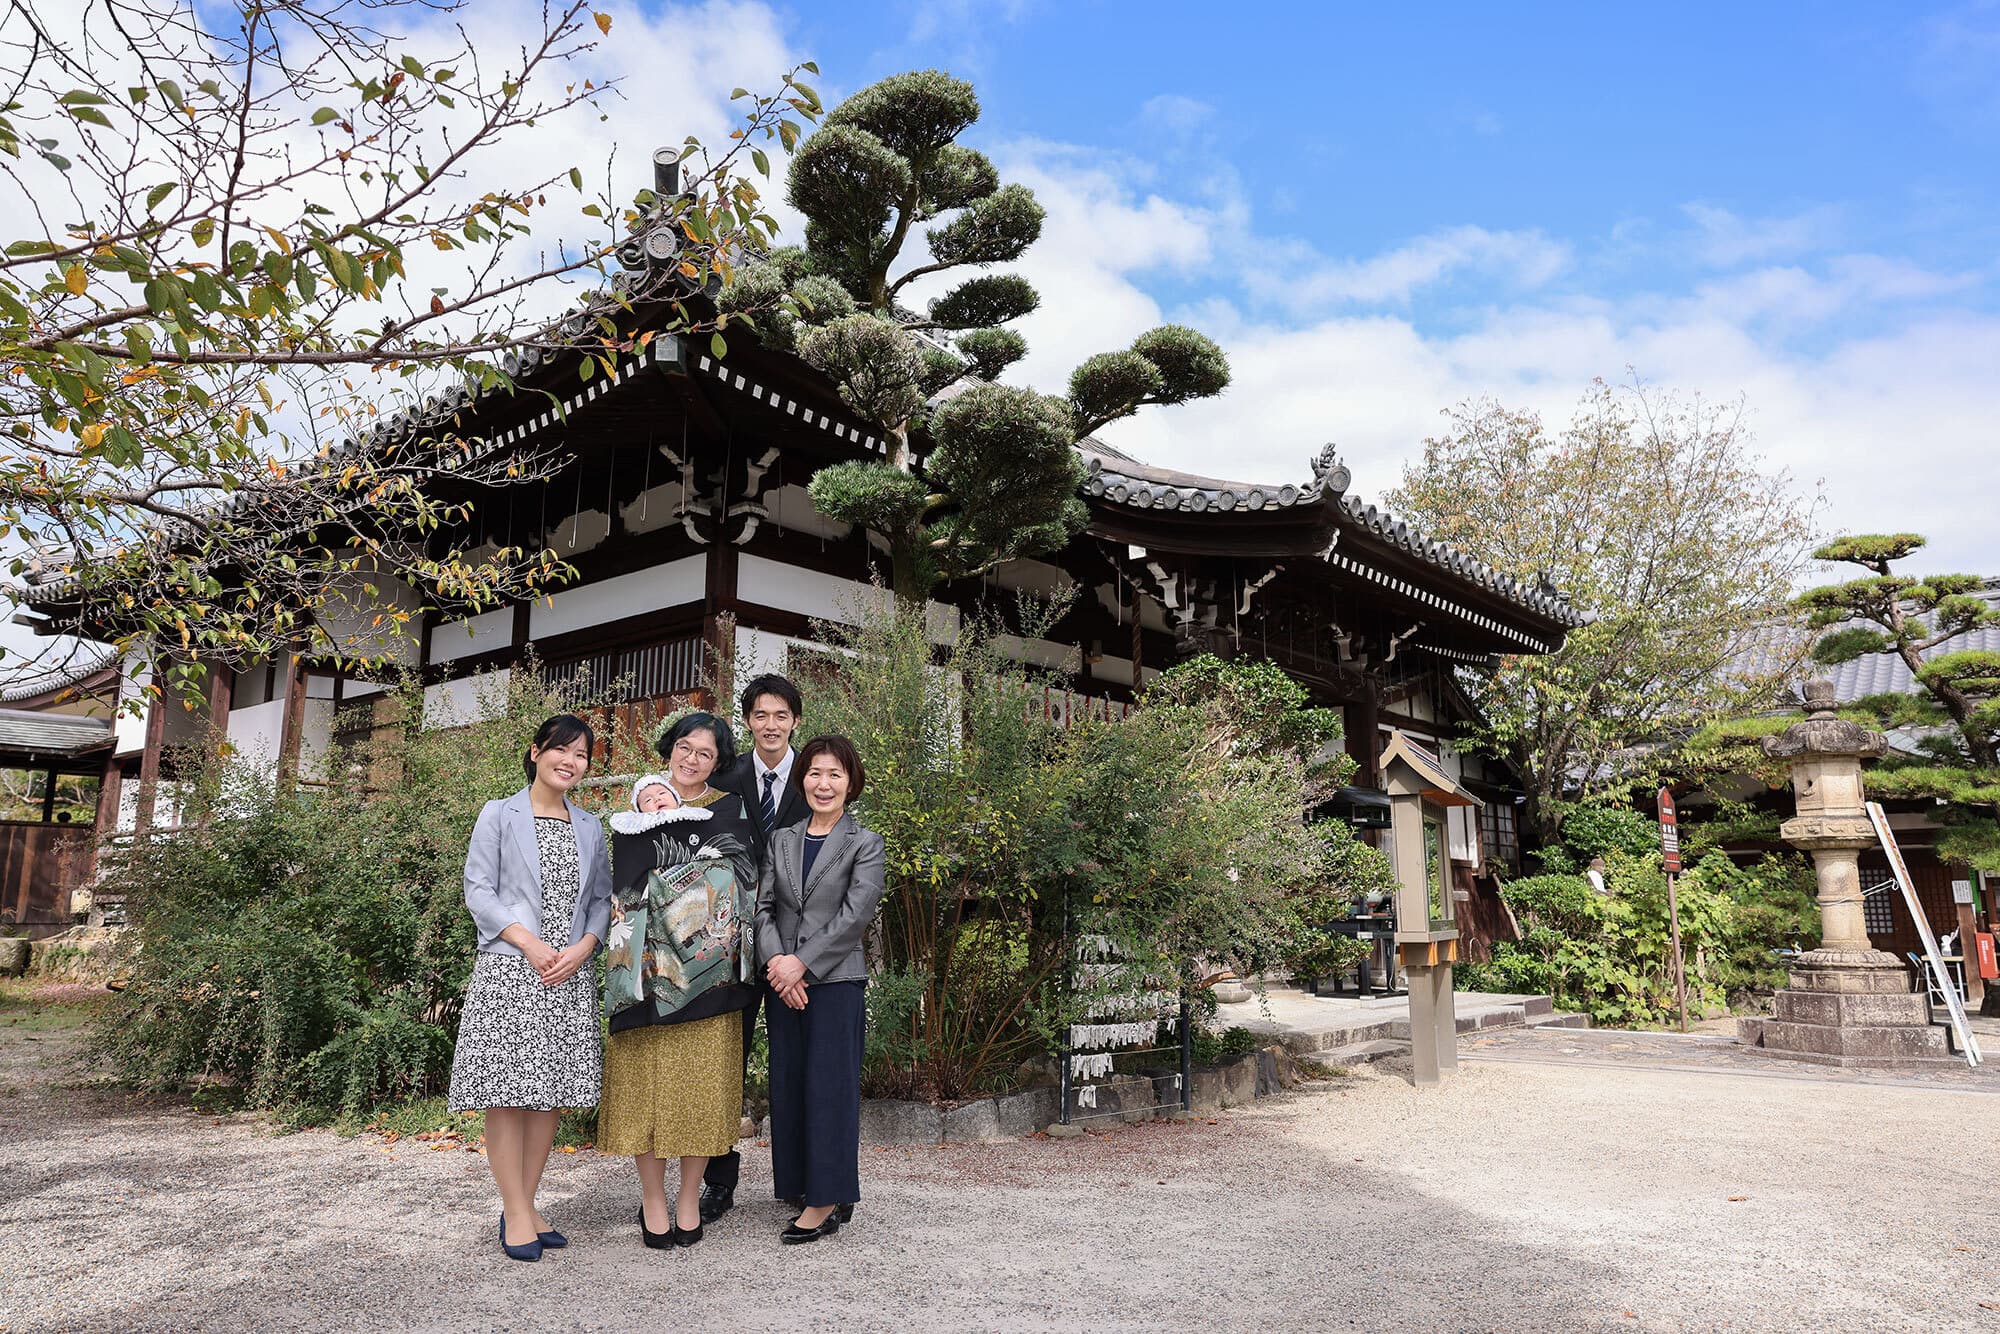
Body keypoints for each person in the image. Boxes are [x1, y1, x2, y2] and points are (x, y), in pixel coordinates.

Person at [447, 713, 613, 1263]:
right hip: (512, 971)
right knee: (506, 1096)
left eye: (582, 755)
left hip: (568, 974)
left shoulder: (590, 827)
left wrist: (585, 947)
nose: (571, 762)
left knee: (550, 1098)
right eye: (562, 750)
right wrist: (530, 944)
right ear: (536, 751)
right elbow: (479, 890)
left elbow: (599, 902)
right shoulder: (499, 814)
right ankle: (515, 1211)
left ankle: (527, 1202)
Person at [597, 713, 760, 1250]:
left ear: (718, 764)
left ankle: (689, 1196)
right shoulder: (637, 808)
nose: (691, 759)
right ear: (670, 749)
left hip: (709, 973)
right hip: (644, 973)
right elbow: (621, 884)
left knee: (703, 1088)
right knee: (645, 1087)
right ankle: (651, 1198)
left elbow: (738, 883)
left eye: (705, 754)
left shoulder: (730, 810)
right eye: (684, 747)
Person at [755, 734, 886, 1245]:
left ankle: (826, 1198)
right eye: (814, 772)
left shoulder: (864, 843)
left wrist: (801, 967)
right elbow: (762, 908)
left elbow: (856, 917)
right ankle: (799, 1184)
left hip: (835, 982)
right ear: (800, 778)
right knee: (788, 1084)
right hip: (781, 979)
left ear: (850, 782)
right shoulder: (781, 838)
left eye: (835, 774)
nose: (823, 783)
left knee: (828, 1089)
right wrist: (778, 965)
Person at [700, 672, 807, 1223]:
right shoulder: (726, 776)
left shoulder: (813, 777)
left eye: (780, 716)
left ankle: (796, 1177)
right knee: (727, 1060)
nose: (771, 725)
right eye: (760, 715)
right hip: (730, 945)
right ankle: (718, 1179)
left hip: (793, 949)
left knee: (793, 1063)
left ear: (794, 721)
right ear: (748, 721)